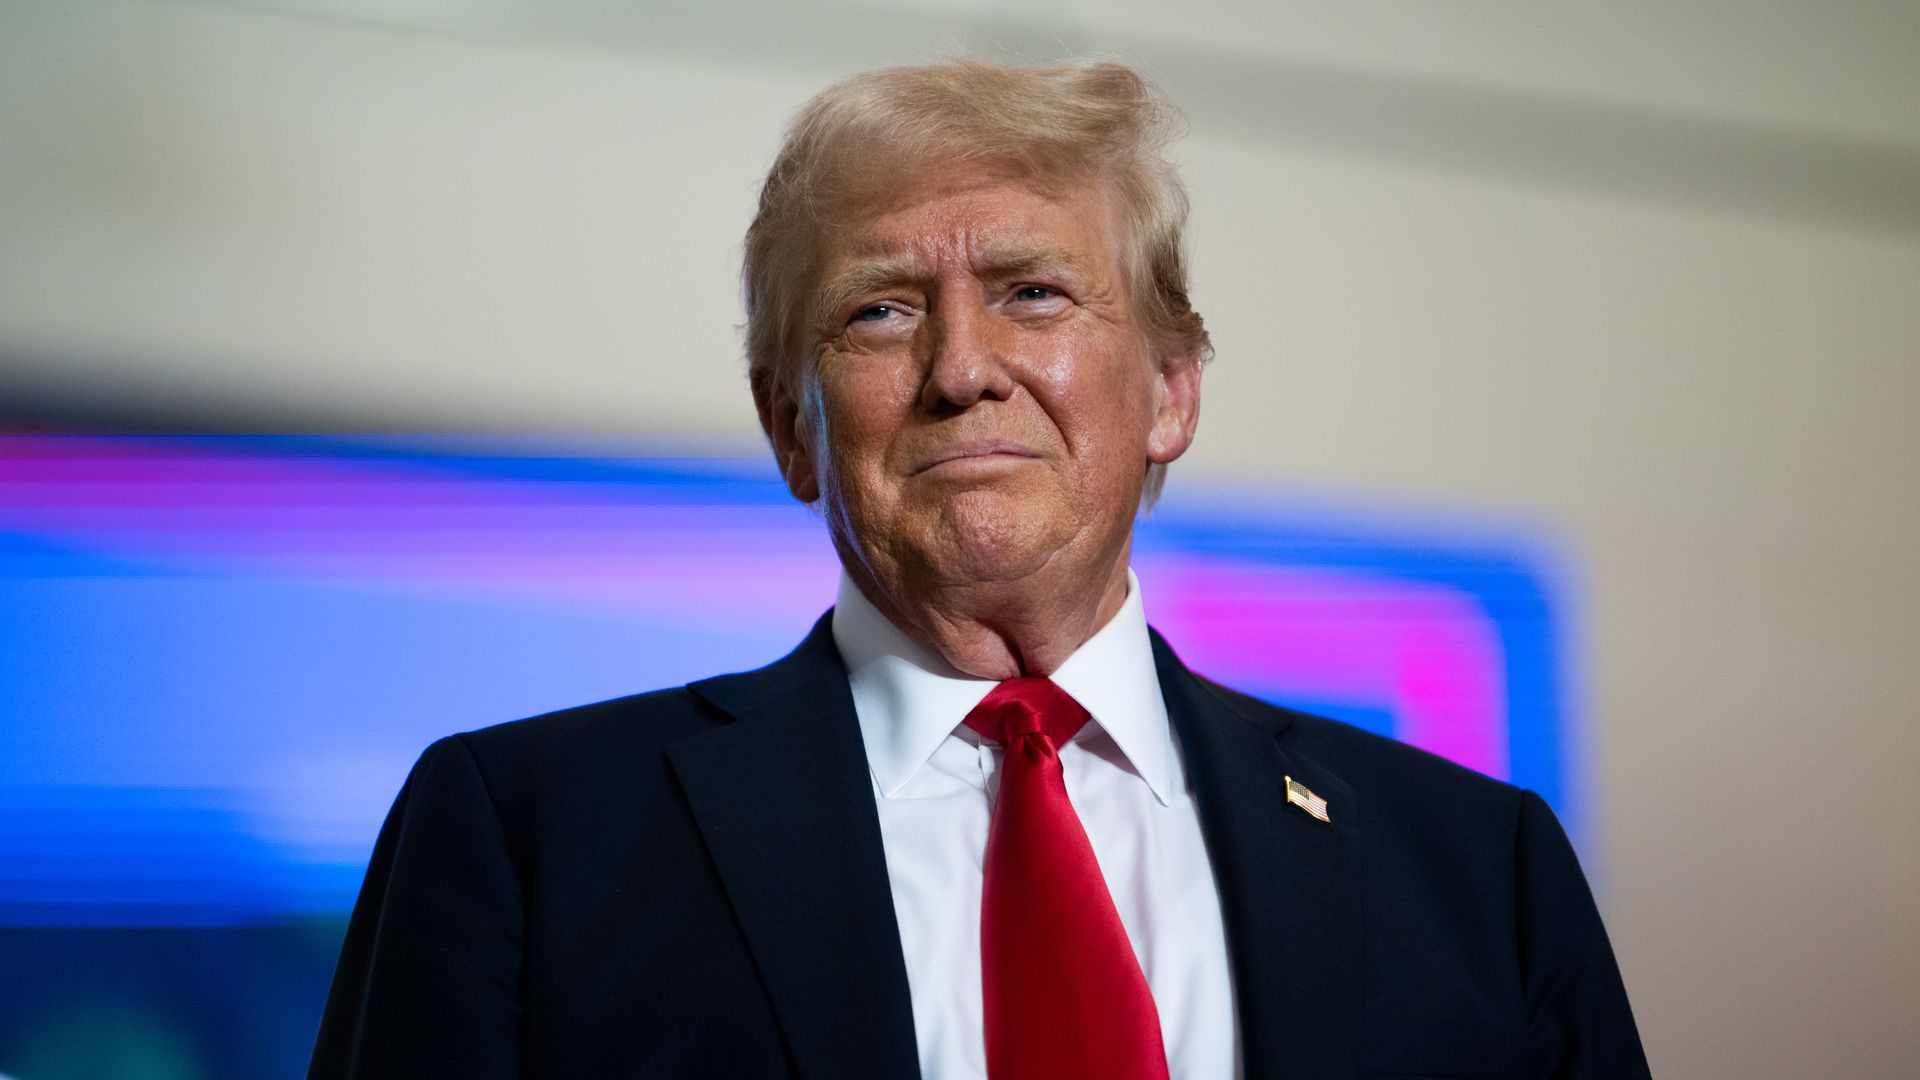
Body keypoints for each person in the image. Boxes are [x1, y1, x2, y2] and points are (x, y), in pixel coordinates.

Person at [308, 59, 1650, 1080]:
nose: (961, 370)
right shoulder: (529, 837)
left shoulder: (1479, 871)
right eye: (882, 310)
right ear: (793, 425)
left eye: (1033, 292)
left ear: (1171, 390)